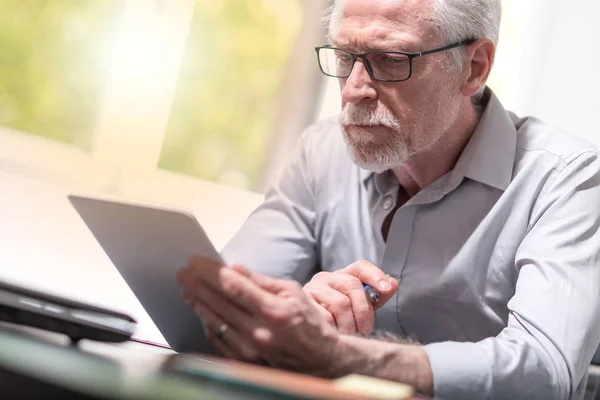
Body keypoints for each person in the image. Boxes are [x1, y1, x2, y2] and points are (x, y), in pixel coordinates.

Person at [177, 0, 600, 398]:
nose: (353, 90)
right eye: (345, 58)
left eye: (391, 60)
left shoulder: (567, 180)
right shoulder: (322, 152)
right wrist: (290, 316)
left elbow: (545, 371)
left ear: (475, 67)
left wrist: (336, 355)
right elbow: (217, 304)